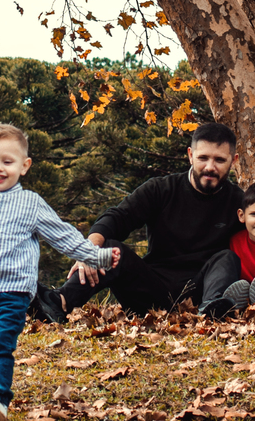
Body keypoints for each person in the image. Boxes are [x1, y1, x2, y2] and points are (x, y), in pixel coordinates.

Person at [0, 120, 119, 421]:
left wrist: (97, 256)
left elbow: (64, 237)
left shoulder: (31, 204)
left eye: (8, 162)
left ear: (24, 165)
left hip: (12, 294)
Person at [55, 120, 243, 318]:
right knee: (109, 249)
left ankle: (213, 311)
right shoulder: (160, 189)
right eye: (203, 158)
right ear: (190, 155)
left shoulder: (240, 202)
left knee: (227, 258)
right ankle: (59, 302)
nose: (210, 167)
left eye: (219, 160)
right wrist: (88, 251)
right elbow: (118, 218)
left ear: (234, 161)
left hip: (202, 295)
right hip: (152, 293)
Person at [198, 180, 255, 319]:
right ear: (241, 215)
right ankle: (231, 305)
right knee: (236, 288)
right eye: (254, 214)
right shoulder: (235, 240)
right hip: (241, 290)